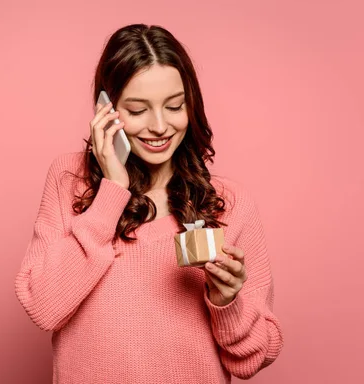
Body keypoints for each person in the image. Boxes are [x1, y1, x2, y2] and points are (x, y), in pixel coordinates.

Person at [14, 24, 284, 384]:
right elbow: (44, 307)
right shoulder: (70, 180)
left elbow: (250, 361)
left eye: (174, 106)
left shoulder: (228, 203)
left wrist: (226, 302)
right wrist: (112, 191)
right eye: (138, 110)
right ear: (105, 109)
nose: (160, 126)